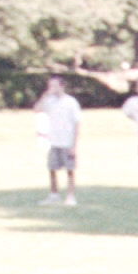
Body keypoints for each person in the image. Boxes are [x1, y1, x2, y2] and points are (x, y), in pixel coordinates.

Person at [36, 75, 83, 205]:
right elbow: (37, 109)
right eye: (50, 86)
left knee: (70, 170)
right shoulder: (49, 101)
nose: (52, 88)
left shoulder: (71, 102)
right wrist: (45, 95)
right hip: (54, 141)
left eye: (55, 86)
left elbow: (77, 123)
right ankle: (54, 194)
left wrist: (74, 145)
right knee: (52, 169)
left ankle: (70, 196)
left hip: (67, 141)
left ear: (62, 86)